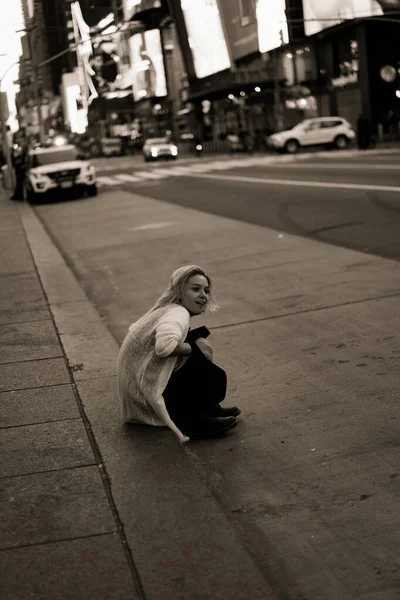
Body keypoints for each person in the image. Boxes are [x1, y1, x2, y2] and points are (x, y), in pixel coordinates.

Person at [117, 265, 240, 443]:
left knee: (197, 339)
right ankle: (195, 421)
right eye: (195, 289)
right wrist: (195, 349)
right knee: (202, 352)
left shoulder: (168, 309)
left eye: (206, 290)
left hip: (137, 393)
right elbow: (164, 347)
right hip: (145, 398)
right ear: (179, 292)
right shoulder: (178, 313)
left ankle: (206, 408)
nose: (203, 295)